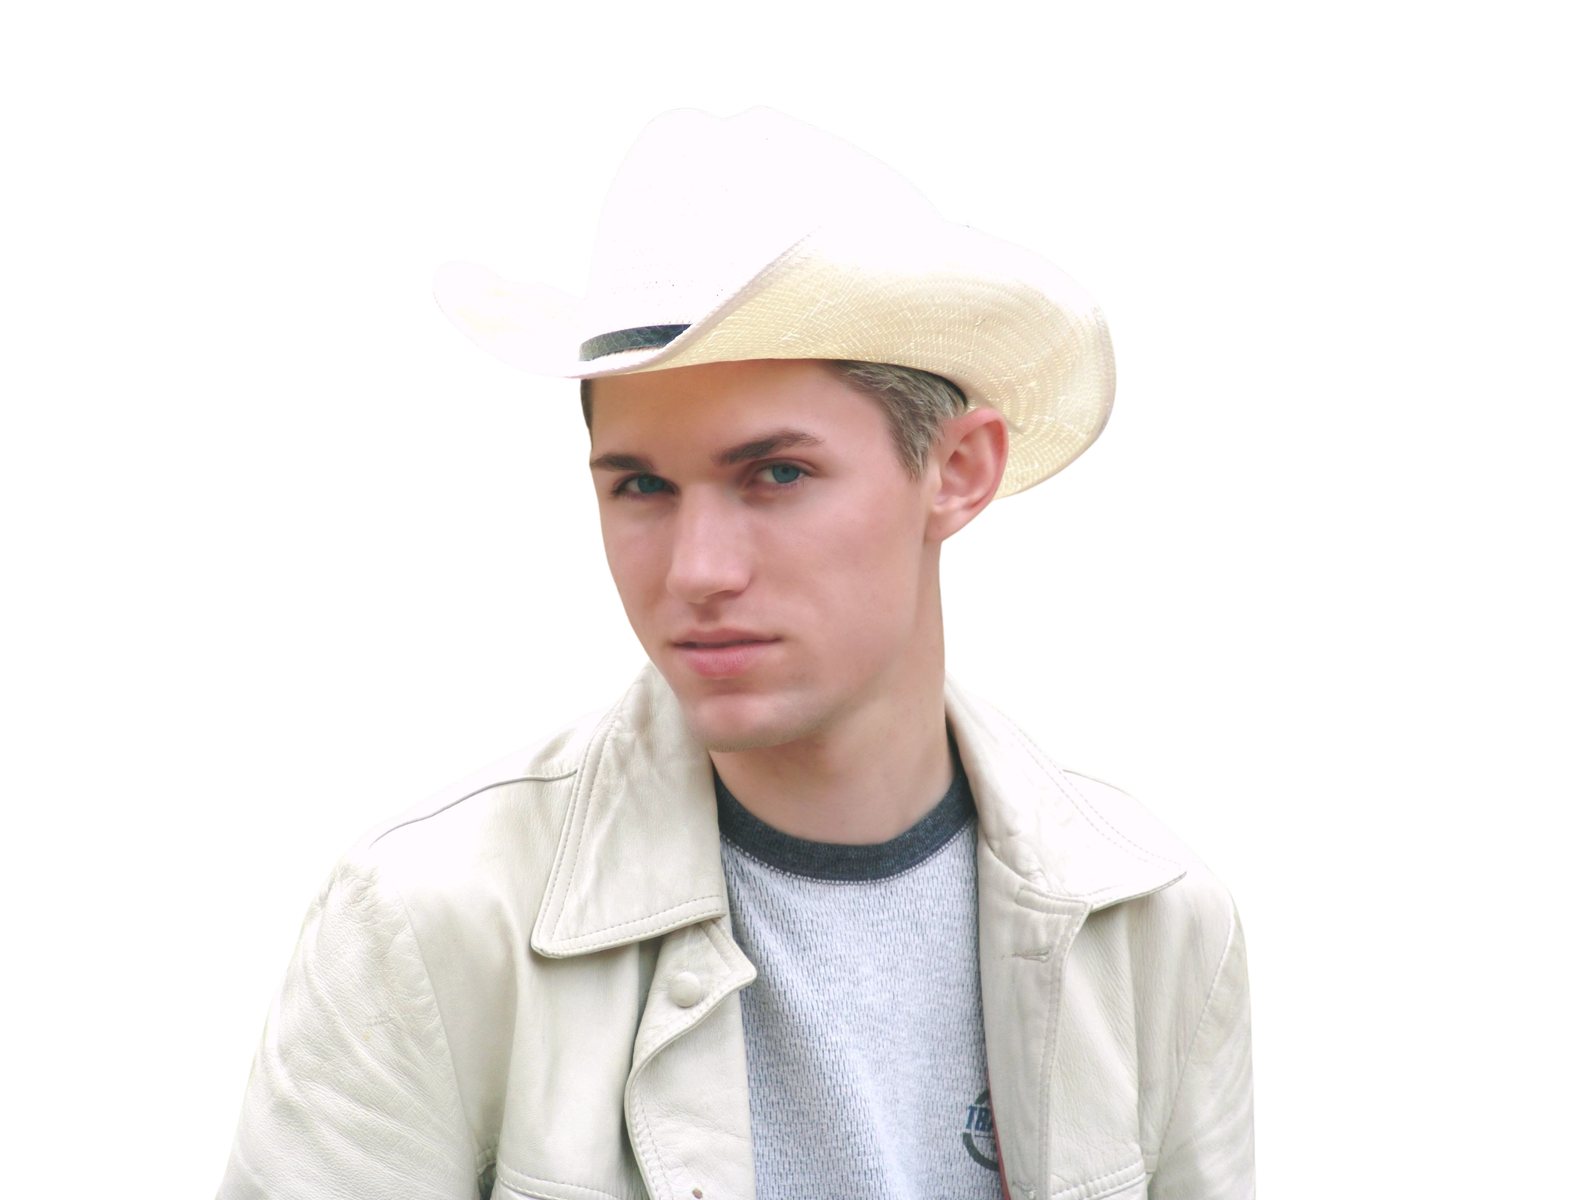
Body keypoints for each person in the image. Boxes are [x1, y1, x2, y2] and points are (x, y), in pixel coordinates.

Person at [217, 105, 1254, 1200]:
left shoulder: (1152, 919)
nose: (698, 569)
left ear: (956, 471)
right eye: (640, 485)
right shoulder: (432, 920)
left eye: (776, 474)